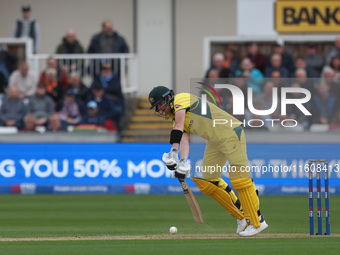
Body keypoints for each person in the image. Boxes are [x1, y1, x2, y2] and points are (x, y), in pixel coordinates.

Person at [148, 86, 268, 237]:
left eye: (159, 104)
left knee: (240, 180)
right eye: (157, 106)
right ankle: (242, 217)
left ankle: (257, 221)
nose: (159, 108)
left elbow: (178, 127)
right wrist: (182, 163)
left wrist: (173, 152)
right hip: (215, 141)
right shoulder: (175, 116)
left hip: (231, 133)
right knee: (209, 181)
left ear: (168, 98)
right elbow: (183, 137)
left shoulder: (181, 99)